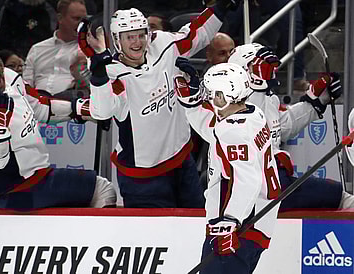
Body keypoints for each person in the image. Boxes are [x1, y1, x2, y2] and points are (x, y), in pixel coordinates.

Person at [79, 0, 242, 207]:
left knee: (197, 228)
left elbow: (195, 35)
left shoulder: (164, 45)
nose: (137, 42)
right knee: (152, 237)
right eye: (130, 37)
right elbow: (102, 112)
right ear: (117, 40)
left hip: (182, 162)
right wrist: (99, 77)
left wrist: (219, 8)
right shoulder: (112, 74)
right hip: (143, 178)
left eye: (141, 34)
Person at [0, 42, 116, 210]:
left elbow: (40, 107)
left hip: (36, 177)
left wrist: (85, 110)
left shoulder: (9, 77)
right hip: (10, 191)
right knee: (102, 189)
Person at [174, 60, 281, 273]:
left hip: (240, 226)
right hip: (257, 222)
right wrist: (192, 104)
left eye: (211, 93)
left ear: (223, 97)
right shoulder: (252, 114)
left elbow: (247, 179)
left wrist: (230, 221)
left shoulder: (232, 132)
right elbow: (215, 133)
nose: (207, 97)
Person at [228, 43, 354, 209]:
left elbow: (283, 127)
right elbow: (248, 122)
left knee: (341, 197)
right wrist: (257, 86)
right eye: (260, 65)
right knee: (342, 199)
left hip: (274, 182)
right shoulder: (230, 105)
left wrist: (316, 100)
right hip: (254, 187)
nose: (270, 70)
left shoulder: (268, 98)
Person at [23, 0, 87, 95]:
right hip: (36, 104)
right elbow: (25, 85)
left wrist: (80, 74)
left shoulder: (88, 51)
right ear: (60, 18)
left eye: (84, 20)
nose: (82, 25)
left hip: (71, 104)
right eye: (76, 19)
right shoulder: (37, 49)